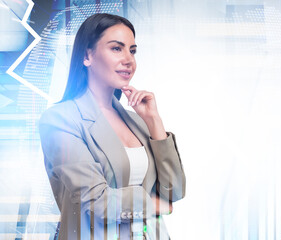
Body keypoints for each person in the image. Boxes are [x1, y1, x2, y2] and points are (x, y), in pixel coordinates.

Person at [39, 13, 186, 240]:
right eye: (117, 48)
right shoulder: (60, 120)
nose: (129, 59)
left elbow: (174, 191)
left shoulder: (136, 121)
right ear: (87, 56)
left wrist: (154, 121)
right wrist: (153, 204)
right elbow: (98, 202)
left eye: (132, 50)